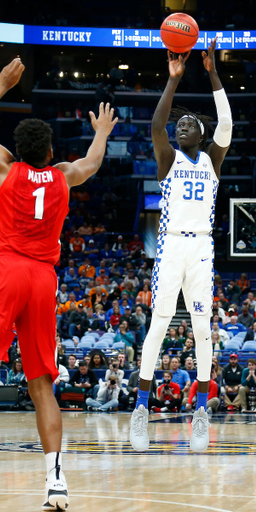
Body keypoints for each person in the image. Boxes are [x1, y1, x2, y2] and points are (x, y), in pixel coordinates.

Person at [0, 57, 118, 507]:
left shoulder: (3, 167)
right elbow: (93, 161)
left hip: (9, 269)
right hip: (43, 279)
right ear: (51, 152)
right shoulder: (64, 177)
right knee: (41, 384)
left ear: (17, 148)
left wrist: (1, 84)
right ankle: (56, 482)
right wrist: (102, 132)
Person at [130, 38, 232, 453]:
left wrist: (211, 74)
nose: (180, 127)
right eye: (179, 125)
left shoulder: (211, 160)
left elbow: (227, 124)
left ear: (201, 134)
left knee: (204, 329)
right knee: (159, 322)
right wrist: (172, 81)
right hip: (171, 248)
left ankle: (201, 413)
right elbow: (157, 126)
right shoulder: (168, 159)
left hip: (202, 250)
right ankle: (140, 408)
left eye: (188, 124)